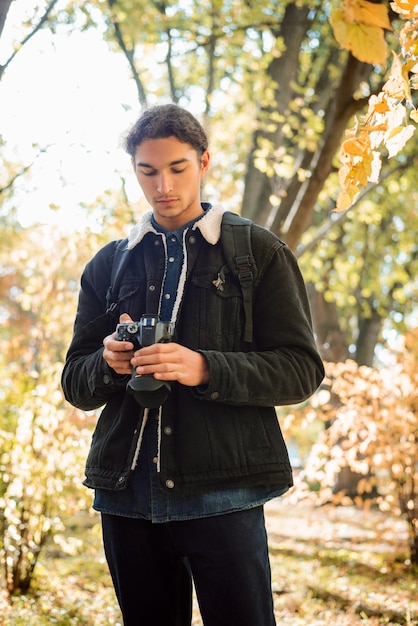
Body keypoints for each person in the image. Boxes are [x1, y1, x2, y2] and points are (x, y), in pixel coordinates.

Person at [61, 103, 324, 626]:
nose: (163, 185)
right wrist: (108, 364)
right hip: (126, 496)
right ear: (134, 169)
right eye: (148, 171)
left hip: (224, 492)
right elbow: (75, 382)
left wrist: (205, 368)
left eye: (178, 168)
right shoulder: (109, 263)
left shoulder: (258, 252)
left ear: (204, 162)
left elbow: (301, 369)